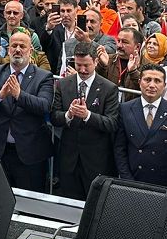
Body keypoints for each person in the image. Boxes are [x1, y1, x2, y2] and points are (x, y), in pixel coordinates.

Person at [0, 30, 54, 191]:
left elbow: (44, 106)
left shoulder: (43, 76)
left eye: (22, 46)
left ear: (30, 50)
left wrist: (19, 95)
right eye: (14, 46)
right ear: (8, 49)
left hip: (29, 154)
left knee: (30, 205)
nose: (18, 49)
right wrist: (0, 95)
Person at [51, 41, 120, 199]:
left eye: (86, 65)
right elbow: (54, 116)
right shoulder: (63, 84)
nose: (82, 69)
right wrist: (68, 115)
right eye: (78, 64)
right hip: (69, 159)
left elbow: (112, 123)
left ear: (96, 61)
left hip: (96, 161)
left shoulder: (109, 88)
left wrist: (87, 115)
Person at [114, 65, 167, 188]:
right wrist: (127, 181)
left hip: (164, 185)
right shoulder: (125, 109)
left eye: (157, 81)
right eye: (147, 80)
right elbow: (120, 150)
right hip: (133, 181)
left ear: (164, 85)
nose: (151, 85)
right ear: (139, 82)